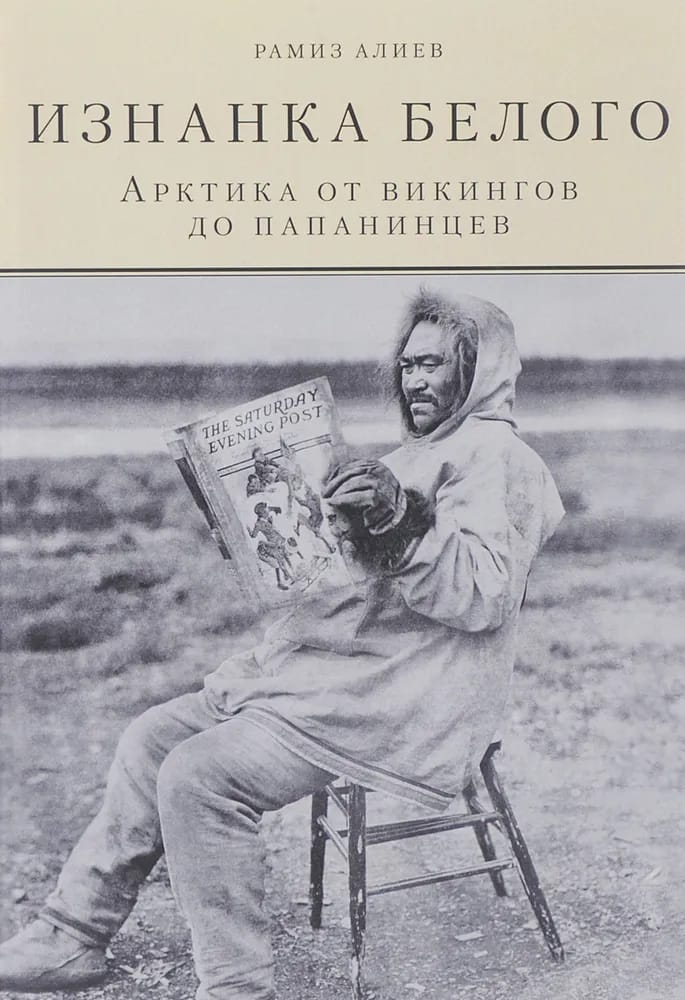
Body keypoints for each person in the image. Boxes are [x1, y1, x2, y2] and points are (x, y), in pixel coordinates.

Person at [0, 289, 564, 999]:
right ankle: (73, 931)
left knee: (199, 777)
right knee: (150, 739)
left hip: (405, 693)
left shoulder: (499, 457)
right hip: (342, 672)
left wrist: (397, 518)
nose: (414, 380)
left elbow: (480, 599)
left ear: (479, 369)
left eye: (434, 364)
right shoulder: (419, 453)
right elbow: (360, 585)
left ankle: (238, 988)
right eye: (407, 364)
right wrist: (260, 538)